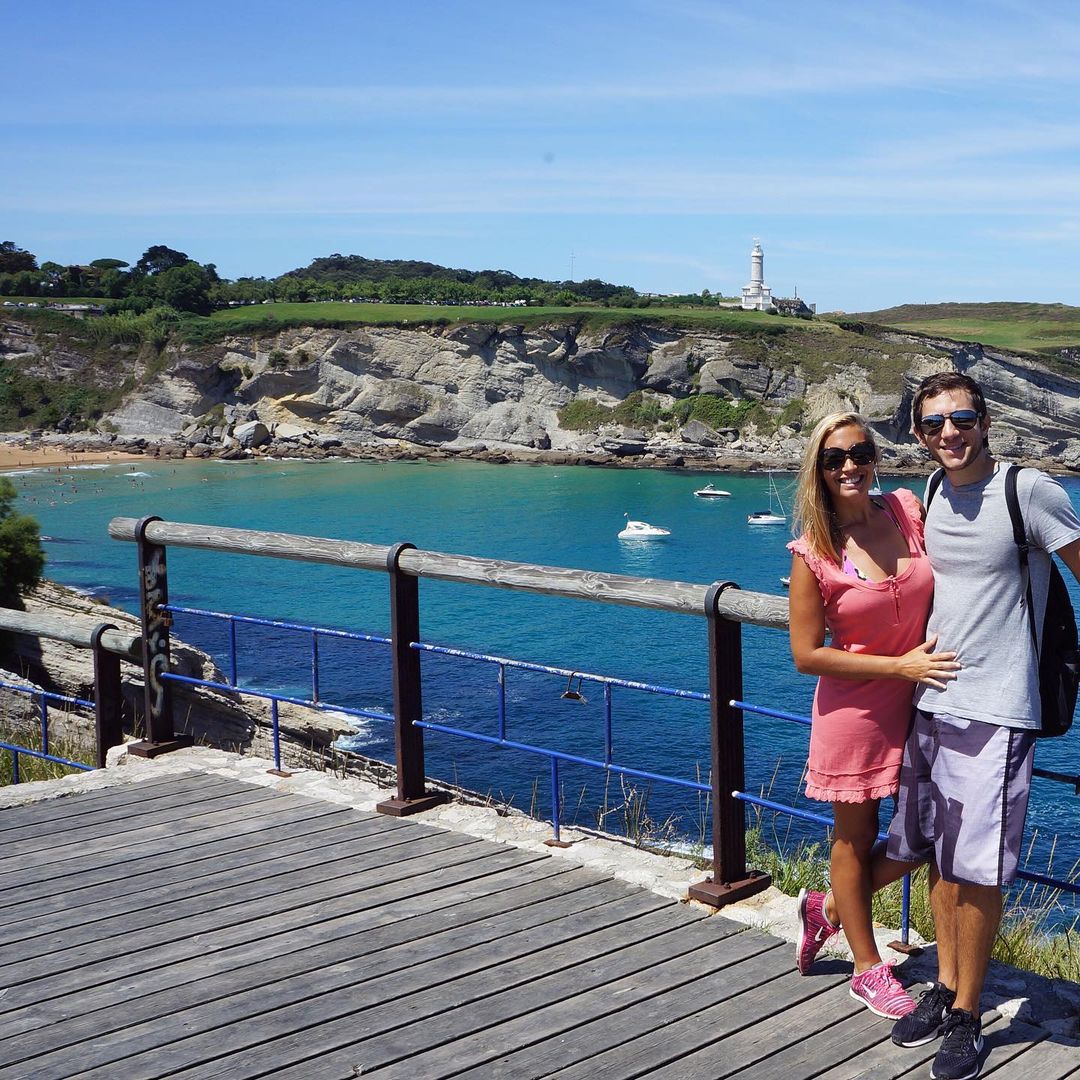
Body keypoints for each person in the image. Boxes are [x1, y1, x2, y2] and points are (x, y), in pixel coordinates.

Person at [883, 373, 1080, 1079]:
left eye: (961, 419)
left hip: (999, 708)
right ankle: (943, 988)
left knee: (978, 871)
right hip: (932, 701)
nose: (949, 434)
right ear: (918, 435)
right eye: (933, 425)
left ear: (986, 420)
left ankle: (967, 1013)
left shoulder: (1028, 491)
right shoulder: (934, 492)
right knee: (942, 860)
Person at [787, 412, 960, 1019]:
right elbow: (807, 654)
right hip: (855, 713)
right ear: (820, 470)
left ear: (875, 456)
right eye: (835, 459)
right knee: (854, 839)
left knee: (926, 836)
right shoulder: (814, 551)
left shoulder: (906, 510)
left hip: (925, 703)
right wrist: (899, 669)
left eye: (859, 453)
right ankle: (866, 967)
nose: (850, 466)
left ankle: (829, 910)